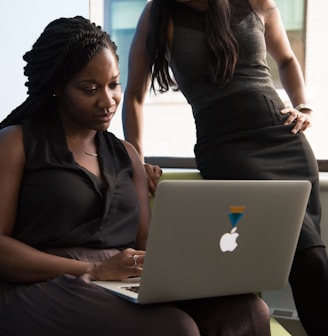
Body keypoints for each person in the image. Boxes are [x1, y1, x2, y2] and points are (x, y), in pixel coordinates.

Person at [0, 15, 271, 336]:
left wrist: (202, 265)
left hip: (121, 278)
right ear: (57, 88)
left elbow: (146, 244)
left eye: (114, 84)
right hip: (43, 283)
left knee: (248, 310)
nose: (108, 101)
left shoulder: (126, 155)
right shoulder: (17, 142)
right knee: (176, 328)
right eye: (89, 89)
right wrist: (95, 268)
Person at [122, 0, 328, 335]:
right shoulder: (159, 12)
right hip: (226, 149)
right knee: (306, 261)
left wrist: (304, 106)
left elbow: (288, 59)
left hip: (283, 138)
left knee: (313, 260)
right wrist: (138, 160)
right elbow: (133, 95)